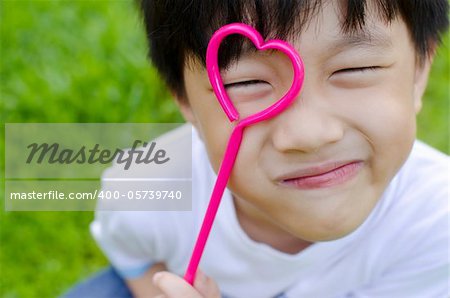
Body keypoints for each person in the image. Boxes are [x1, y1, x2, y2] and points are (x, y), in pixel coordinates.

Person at [63, 0, 449, 297]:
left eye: (355, 68)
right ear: (184, 100)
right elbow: (134, 258)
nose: (309, 134)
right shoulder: (145, 189)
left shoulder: (435, 218)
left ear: (419, 69)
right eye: (245, 82)